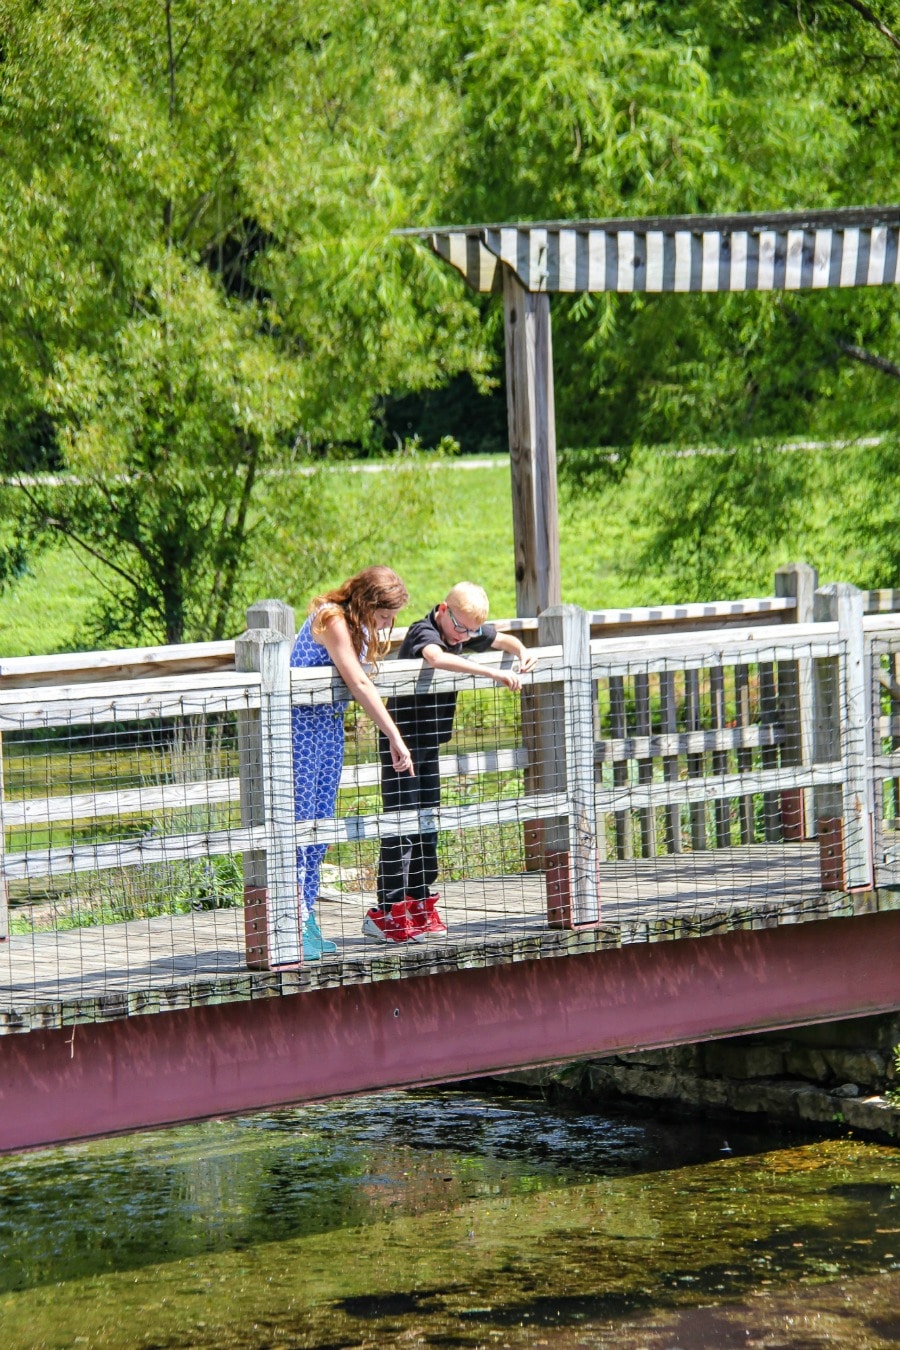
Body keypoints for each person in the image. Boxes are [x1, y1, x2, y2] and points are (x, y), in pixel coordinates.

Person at [367, 581, 537, 944]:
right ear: (443, 610)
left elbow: (502, 639)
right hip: (401, 744)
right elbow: (436, 658)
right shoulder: (424, 630)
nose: (465, 636)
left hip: (429, 745)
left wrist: (521, 650)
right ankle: (386, 910)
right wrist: (493, 673)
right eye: (460, 628)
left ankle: (419, 901)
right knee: (402, 827)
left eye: (472, 630)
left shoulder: (461, 632)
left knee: (428, 824)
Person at [291, 566, 414, 961]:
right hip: (298, 730)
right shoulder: (332, 618)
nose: (387, 626)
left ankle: (305, 914)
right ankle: (289, 921)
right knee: (298, 823)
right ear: (366, 602)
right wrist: (394, 734)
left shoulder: (358, 627)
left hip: (326, 728)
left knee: (319, 827)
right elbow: (358, 682)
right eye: (384, 617)